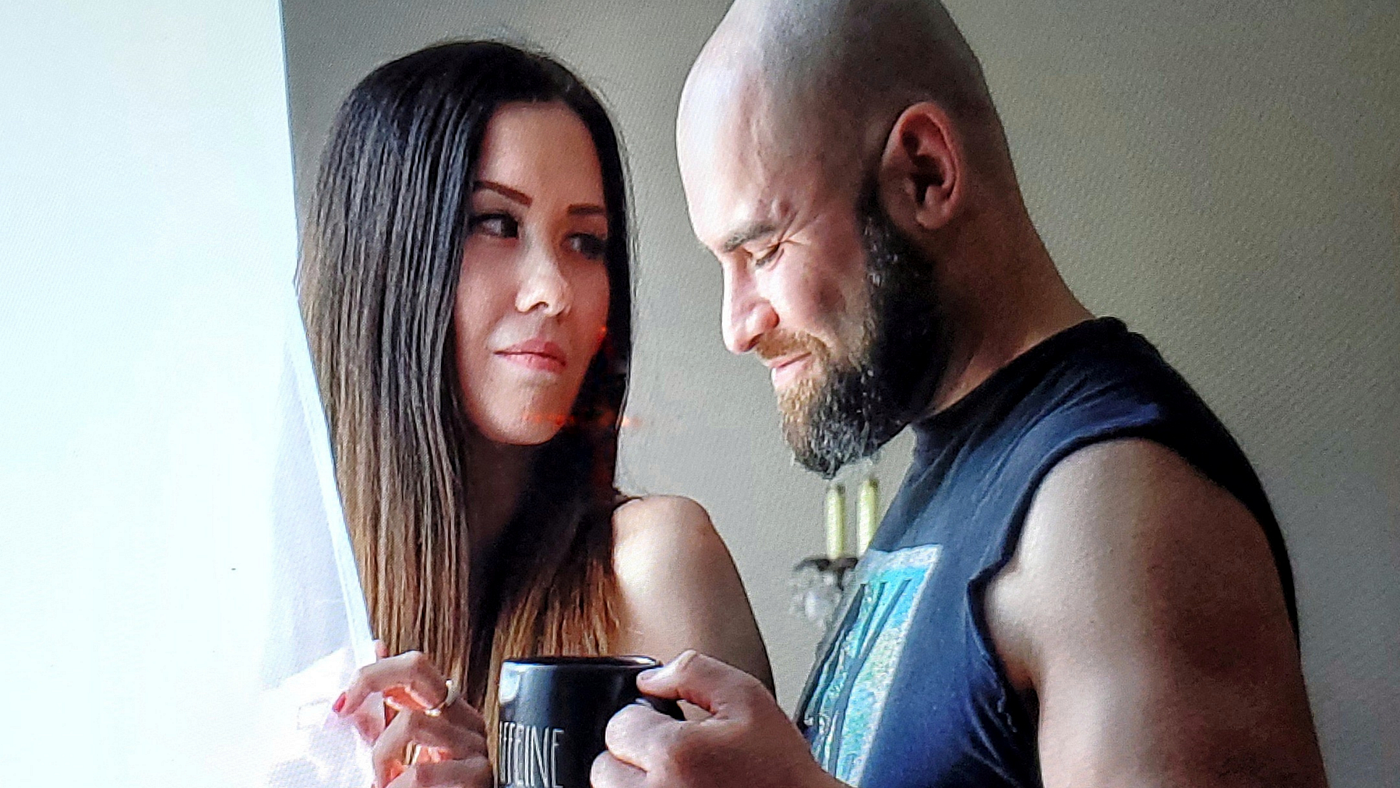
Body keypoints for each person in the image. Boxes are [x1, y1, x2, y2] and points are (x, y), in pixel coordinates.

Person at [592, 2, 1328, 787]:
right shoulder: (969, 471)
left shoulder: (1114, 509)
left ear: (925, 173)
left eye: (764, 249)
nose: (737, 326)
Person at [297, 41, 773, 788]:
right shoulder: (275, 607)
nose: (553, 289)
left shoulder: (653, 567)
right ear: (383, 256)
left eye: (585, 242)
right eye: (496, 223)